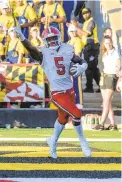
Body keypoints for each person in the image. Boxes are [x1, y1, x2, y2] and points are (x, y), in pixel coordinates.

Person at [15, 26, 91, 159]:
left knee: (63, 119)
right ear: (45, 41)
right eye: (49, 39)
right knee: (77, 113)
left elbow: (81, 61)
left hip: (70, 92)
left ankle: (53, 141)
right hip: (57, 93)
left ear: (59, 38)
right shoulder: (43, 54)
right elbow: (31, 49)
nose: (52, 42)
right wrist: (22, 38)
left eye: (54, 38)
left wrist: (82, 67)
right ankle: (83, 142)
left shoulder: (67, 49)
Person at [94, 36, 120, 131]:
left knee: (106, 101)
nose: (108, 45)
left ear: (112, 43)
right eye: (106, 43)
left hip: (111, 76)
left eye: (109, 43)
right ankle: (112, 124)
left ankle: (101, 123)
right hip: (104, 76)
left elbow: (118, 66)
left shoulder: (115, 53)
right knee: (107, 102)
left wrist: (119, 79)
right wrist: (101, 78)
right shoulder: (104, 53)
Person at [71, 8, 100, 93]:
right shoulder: (85, 23)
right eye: (83, 13)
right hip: (88, 47)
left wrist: (76, 26)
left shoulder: (91, 22)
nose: (85, 15)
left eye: (87, 13)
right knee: (93, 68)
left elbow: (87, 34)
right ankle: (101, 86)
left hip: (92, 46)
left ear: (90, 13)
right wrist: (73, 28)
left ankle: (90, 87)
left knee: (90, 67)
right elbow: (82, 35)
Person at [67, 24, 83, 109]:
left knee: (77, 84)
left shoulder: (77, 40)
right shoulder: (68, 42)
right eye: (71, 31)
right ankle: (72, 101)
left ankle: (78, 102)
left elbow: (77, 54)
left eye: (74, 31)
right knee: (71, 85)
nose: (72, 33)